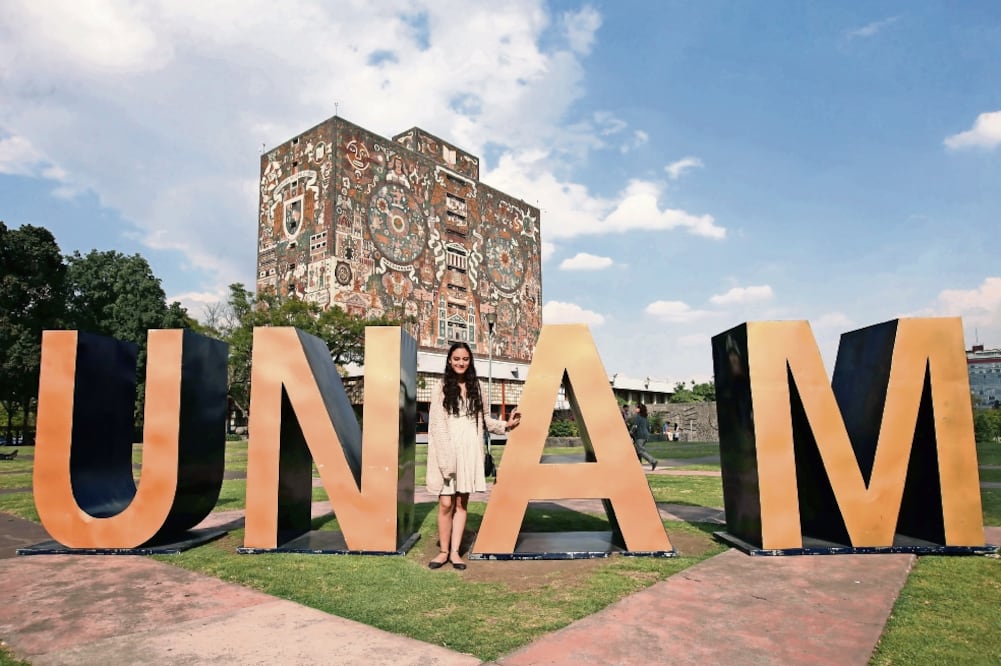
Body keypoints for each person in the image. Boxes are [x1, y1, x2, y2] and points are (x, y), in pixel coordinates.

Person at [426, 342, 521, 570]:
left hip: (470, 449)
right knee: (446, 503)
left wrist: (506, 425)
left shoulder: (476, 386)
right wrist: (445, 457)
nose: (461, 362)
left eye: (465, 359)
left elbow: (485, 419)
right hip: (448, 449)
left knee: (461, 503)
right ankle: (443, 552)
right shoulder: (440, 387)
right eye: (457, 358)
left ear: (470, 361)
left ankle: (456, 553)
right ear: (449, 360)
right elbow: (437, 424)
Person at [631, 403, 657, 471]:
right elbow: (648, 427)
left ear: (639, 409)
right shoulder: (645, 417)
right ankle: (638, 464)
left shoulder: (638, 416)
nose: (635, 409)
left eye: (636, 408)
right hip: (646, 435)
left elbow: (635, 426)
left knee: (641, 451)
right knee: (637, 450)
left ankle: (653, 461)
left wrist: (631, 432)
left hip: (640, 436)